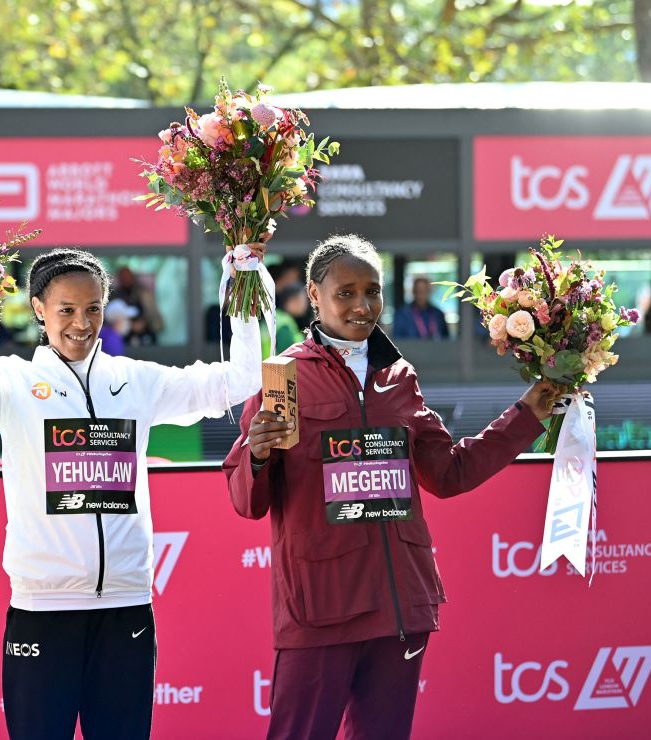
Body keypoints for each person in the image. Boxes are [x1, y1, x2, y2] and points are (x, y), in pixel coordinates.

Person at [222, 235, 561, 740]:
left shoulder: (399, 375)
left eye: (372, 292)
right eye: (346, 293)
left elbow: (449, 472)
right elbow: (244, 500)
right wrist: (257, 454)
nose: (362, 306)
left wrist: (526, 414)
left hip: (399, 607)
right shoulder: (283, 375)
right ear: (314, 295)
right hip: (321, 609)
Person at [0, 247, 262, 740]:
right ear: (37, 309)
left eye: (93, 308)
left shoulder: (134, 381)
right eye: (66, 310)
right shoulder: (11, 382)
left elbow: (240, 380)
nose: (81, 323)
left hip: (126, 609)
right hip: (42, 611)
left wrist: (245, 279)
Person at [113, 265, 163, 345]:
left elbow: (151, 312)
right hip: (124, 335)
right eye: (123, 277)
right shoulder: (115, 295)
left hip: (146, 332)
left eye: (127, 276)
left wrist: (143, 322)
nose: (126, 279)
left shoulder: (143, 292)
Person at [391, 276, 449, 340]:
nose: (421, 295)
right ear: (414, 292)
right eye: (418, 291)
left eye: (424, 291)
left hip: (435, 349)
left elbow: (446, 340)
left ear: (429, 292)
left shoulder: (438, 314)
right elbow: (397, 340)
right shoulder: (403, 314)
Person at [274, 283, 307, 352]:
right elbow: (284, 358)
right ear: (291, 302)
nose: (305, 305)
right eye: (302, 301)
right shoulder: (284, 325)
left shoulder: (278, 317)